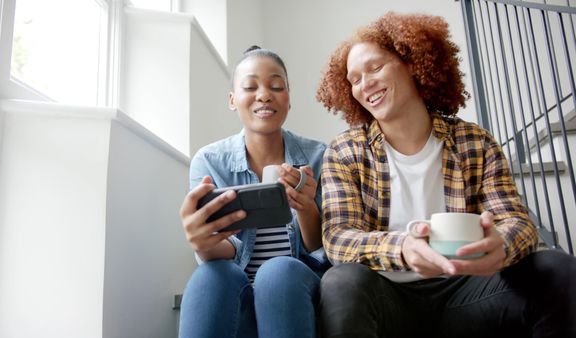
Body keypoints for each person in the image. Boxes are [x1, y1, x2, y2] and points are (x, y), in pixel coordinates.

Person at [315, 12, 576, 338]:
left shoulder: (474, 141)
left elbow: (518, 222)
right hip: (389, 295)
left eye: (375, 67)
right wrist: (403, 248)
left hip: (467, 292)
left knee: (557, 269)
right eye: (354, 79)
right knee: (340, 281)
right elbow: (338, 238)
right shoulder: (344, 151)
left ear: (412, 63)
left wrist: (501, 246)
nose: (364, 84)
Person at [178, 45, 327, 338]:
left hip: (294, 292)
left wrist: (306, 207)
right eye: (250, 86)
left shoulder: (319, 156)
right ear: (233, 100)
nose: (264, 95)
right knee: (210, 276)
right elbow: (226, 250)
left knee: (278, 272)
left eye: (276, 86)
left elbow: (320, 251)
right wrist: (202, 244)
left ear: (288, 100)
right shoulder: (209, 161)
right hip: (238, 295)